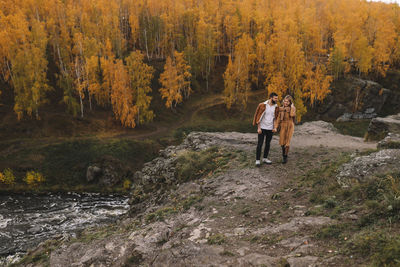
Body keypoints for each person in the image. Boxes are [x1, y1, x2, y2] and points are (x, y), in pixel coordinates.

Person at [252, 92, 279, 167]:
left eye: (277, 98)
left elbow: (275, 118)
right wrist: (259, 128)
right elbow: (258, 116)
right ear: (271, 98)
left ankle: (265, 158)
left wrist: (275, 127)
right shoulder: (262, 105)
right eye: (275, 98)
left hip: (270, 129)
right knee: (260, 144)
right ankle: (257, 160)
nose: (276, 100)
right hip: (262, 128)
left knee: (268, 144)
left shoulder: (276, 107)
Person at [273, 95, 296, 164]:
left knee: (287, 143)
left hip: (290, 125)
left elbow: (292, 115)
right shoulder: (281, 109)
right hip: (283, 125)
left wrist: (292, 107)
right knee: (282, 142)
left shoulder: (293, 108)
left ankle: (285, 157)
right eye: (285, 101)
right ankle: (284, 154)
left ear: (290, 102)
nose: (285, 103)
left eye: (287, 102)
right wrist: (276, 127)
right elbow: (278, 119)